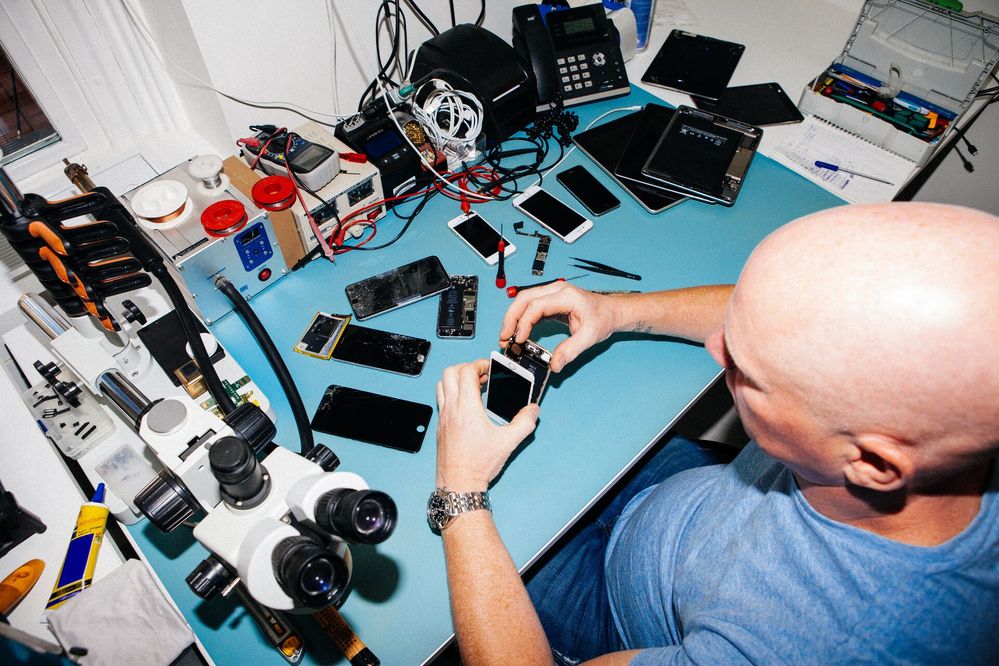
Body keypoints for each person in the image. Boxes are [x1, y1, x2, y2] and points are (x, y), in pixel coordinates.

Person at [431, 201, 999, 665]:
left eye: (748, 371)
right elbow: (770, 313)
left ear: (874, 464)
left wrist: (460, 489)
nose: (715, 347)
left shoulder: (802, 643)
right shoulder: (951, 410)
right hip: (696, 499)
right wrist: (614, 310)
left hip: (609, 609)